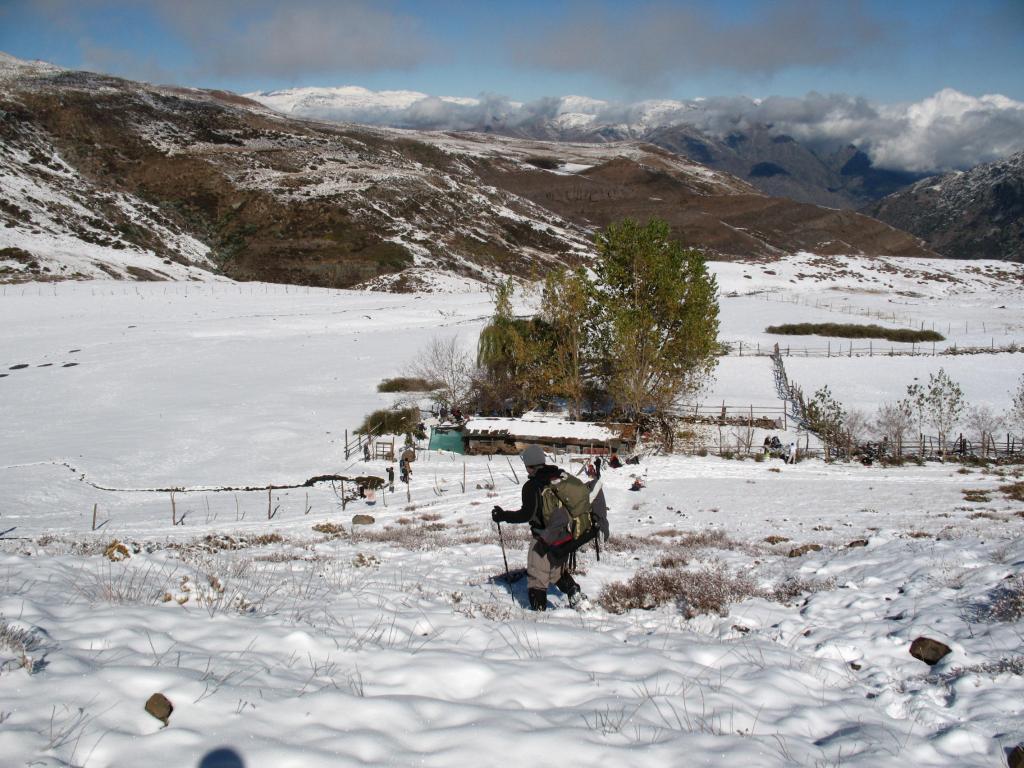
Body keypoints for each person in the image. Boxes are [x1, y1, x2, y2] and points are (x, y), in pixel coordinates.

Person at [491, 445, 587, 611]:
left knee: (537, 577)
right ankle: (575, 594)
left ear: (529, 464)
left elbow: (526, 515)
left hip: (543, 539)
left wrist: (503, 515)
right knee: (556, 573)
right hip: (563, 536)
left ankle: (539, 615)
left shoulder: (532, 486)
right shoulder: (557, 477)